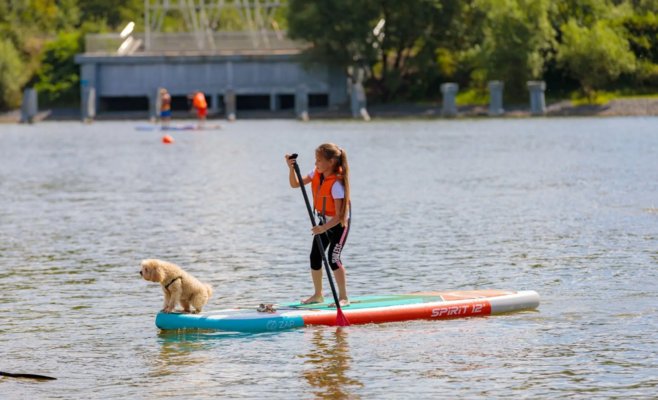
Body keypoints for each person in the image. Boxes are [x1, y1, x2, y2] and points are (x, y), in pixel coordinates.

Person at [285, 143, 351, 307]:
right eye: (316, 160)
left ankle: (343, 297)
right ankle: (318, 295)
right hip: (323, 222)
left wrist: (323, 228)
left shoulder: (336, 184)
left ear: (331, 162)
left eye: (319, 160)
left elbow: (340, 216)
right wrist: (291, 168)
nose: (316, 163)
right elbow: (295, 184)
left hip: (339, 225)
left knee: (333, 259)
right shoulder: (316, 174)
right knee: (315, 256)